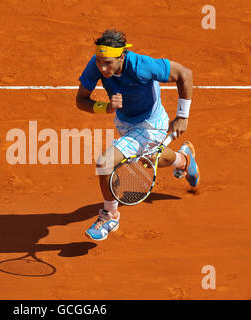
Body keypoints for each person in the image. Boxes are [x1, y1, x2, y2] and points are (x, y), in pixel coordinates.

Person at [76, 29, 200, 241]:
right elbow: (81, 100)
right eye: (99, 61)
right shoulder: (96, 65)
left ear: (122, 56)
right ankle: (184, 160)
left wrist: (182, 116)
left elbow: (184, 74)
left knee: (105, 162)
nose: (102, 68)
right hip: (125, 122)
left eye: (108, 63)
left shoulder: (142, 65)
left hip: (151, 124)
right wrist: (105, 108)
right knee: (151, 159)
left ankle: (110, 216)